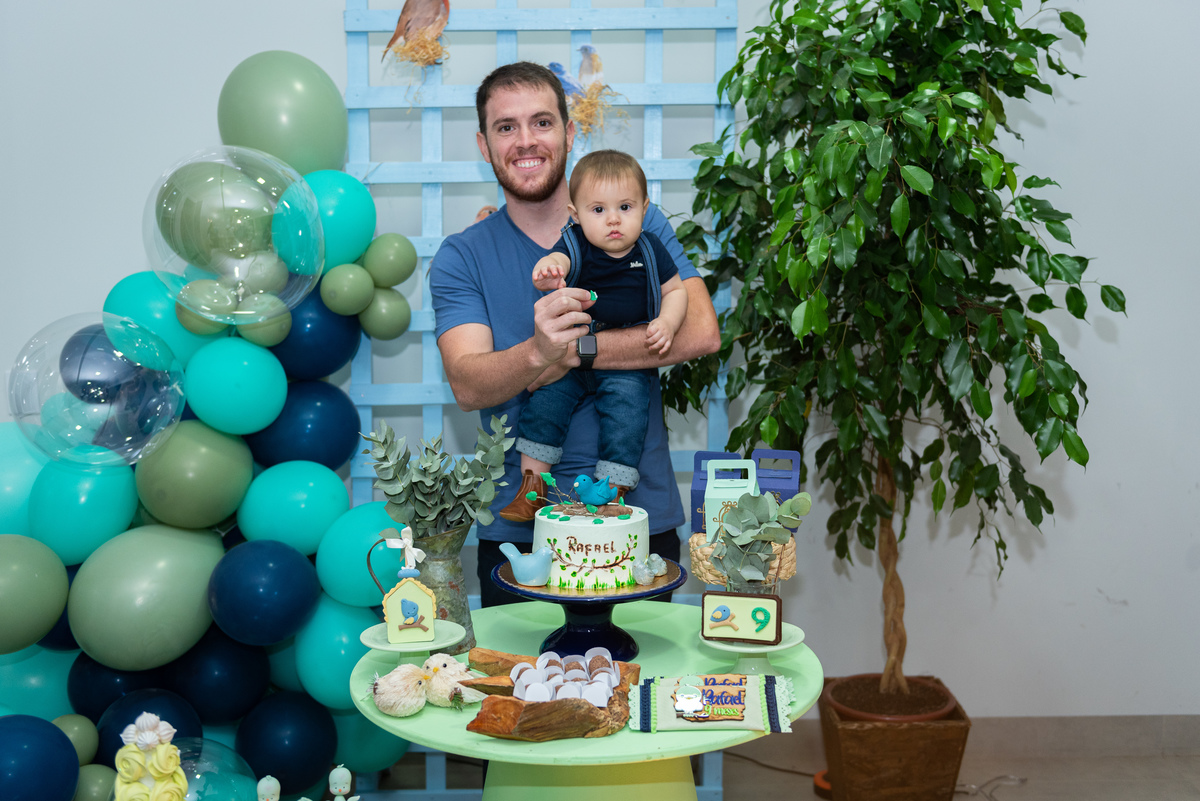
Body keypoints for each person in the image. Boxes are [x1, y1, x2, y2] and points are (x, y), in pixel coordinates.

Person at [429, 62, 720, 607]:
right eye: (506, 127)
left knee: (639, 666)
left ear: (568, 132)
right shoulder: (462, 256)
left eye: (541, 122)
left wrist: (575, 353)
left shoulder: (635, 223)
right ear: (484, 144)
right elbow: (468, 385)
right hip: (521, 532)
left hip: (637, 519)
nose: (526, 141)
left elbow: (701, 332)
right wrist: (538, 352)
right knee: (515, 669)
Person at [495, 148, 689, 520]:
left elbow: (676, 291)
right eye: (598, 210)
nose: (613, 219)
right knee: (546, 405)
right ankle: (532, 488)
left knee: (627, 415)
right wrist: (549, 268)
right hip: (574, 345)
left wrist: (667, 322)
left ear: (644, 208)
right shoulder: (575, 243)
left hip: (626, 353)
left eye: (625, 207)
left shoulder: (651, 248)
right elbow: (559, 261)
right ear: (576, 215)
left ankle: (610, 494)